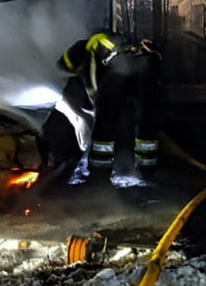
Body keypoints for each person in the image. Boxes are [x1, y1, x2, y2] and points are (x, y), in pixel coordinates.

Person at [57, 29, 162, 183]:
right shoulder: (117, 41)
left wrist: (95, 100)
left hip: (120, 73)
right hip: (147, 72)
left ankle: (99, 171)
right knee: (146, 121)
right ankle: (146, 170)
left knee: (105, 124)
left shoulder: (90, 46)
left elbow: (91, 75)